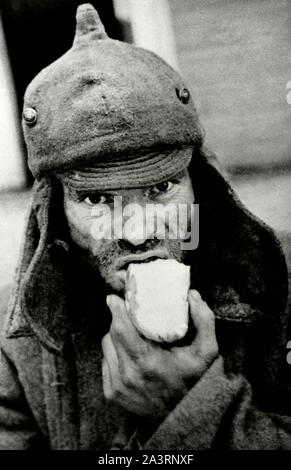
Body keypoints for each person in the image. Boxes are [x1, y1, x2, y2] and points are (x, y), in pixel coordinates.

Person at [0, 3, 290, 450]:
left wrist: (198, 407)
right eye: (97, 199)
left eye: (160, 188)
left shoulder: (286, 286)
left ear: (203, 187)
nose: (137, 234)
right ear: (52, 210)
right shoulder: (12, 341)